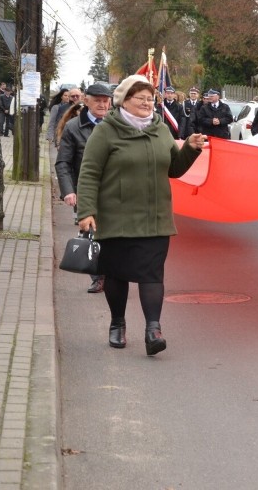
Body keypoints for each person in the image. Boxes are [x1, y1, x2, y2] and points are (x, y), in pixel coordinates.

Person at [76, 74, 207, 356]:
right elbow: (89, 172)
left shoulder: (160, 130)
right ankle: (118, 323)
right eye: (141, 99)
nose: (148, 103)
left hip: (155, 217)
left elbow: (174, 168)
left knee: (152, 275)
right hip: (116, 217)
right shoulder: (107, 131)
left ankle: (153, 330)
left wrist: (191, 151)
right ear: (125, 100)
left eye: (150, 99)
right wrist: (86, 210)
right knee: (117, 274)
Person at [55, 84, 113, 294]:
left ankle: (113, 274)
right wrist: (68, 190)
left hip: (114, 191)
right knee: (92, 234)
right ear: (86, 100)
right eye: (97, 100)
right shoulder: (73, 127)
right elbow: (63, 163)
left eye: (106, 100)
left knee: (113, 235)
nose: (102, 104)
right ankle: (98, 276)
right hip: (86, 190)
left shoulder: (117, 125)